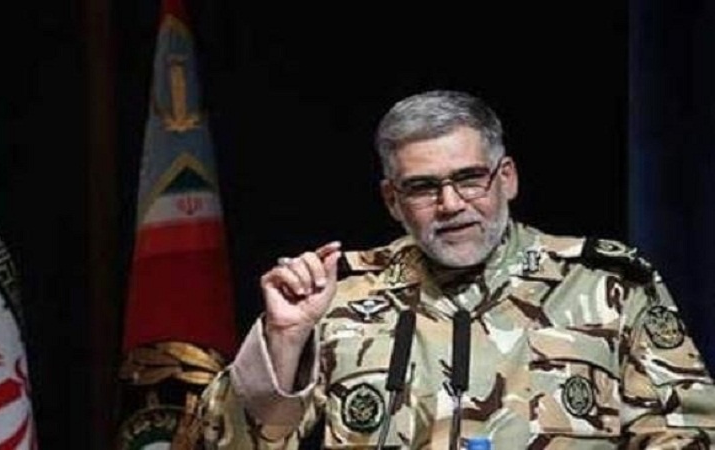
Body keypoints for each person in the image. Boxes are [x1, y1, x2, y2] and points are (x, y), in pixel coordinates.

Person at [195, 90, 715, 448]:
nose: (450, 204)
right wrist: (284, 341)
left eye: (469, 179)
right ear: (392, 200)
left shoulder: (607, 285)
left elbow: (689, 435)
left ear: (506, 178)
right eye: (423, 187)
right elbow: (224, 443)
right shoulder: (340, 296)